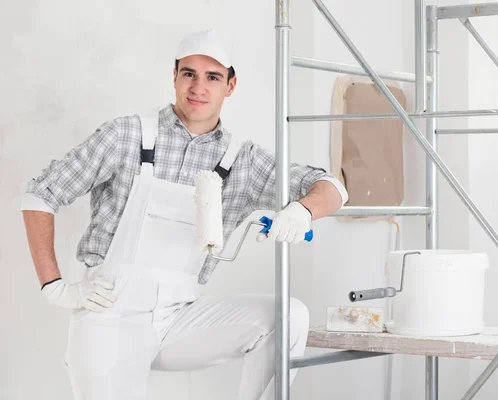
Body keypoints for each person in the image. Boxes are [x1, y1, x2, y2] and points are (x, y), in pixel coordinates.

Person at [20, 29, 348, 400]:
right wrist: (54, 286)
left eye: (213, 77)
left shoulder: (242, 159)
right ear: (174, 76)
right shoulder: (126, 135)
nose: (198, 87)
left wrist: (303, 210)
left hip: (177, 316)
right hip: (109, 312)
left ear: (231, 85)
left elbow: (333, 187)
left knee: (290, 316)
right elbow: (40, 194)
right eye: (189, 73)